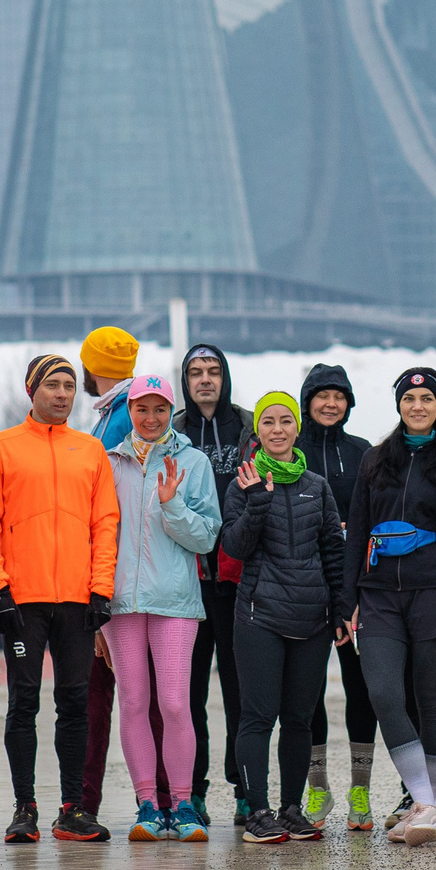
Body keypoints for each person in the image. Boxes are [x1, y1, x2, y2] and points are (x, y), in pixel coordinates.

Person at [0, 354, 119, 843]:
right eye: (52, 385)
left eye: (69, 386)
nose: (62, 394)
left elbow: (105, 524)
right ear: (31, 389)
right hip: (22, 599)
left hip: (78, 600)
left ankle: (73, 808)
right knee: (23, 701)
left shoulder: (90, 450)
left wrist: (101, 589)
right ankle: (24, 807)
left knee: (75, 702)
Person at [342, 367, 436, 845]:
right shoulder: (376, 458)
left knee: (431, 701)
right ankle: (426, 804)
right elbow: (357, 531)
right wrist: (348, 598)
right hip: (379, 595)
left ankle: (424, 804)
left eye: (426, 399)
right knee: (383, 693)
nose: (417, 406)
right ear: (399, 405)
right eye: (409, 399)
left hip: (434, 591)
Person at [101, 375, 222, 839]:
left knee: (173, 703)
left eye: (159, 409)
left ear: (172, 411)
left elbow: (207, 537)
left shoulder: (193, 462)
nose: (150, 418)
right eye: (141, 409)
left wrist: (172, 507)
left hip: (174, 601)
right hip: (121, 604)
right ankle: (148, 805)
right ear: (129, 411)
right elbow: (99, 536)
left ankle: (184, 805)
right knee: (133, 702)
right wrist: (97, 606)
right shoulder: (109, 463)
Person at [225, 391, 347, 843]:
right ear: (257, 431)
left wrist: (341, 608)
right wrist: (257, 500)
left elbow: (332, 550)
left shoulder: (317, 485)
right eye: (268, 422)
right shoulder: (243, 482)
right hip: (260, 617)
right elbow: (234, 547)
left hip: (313, 620)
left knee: (299, 718)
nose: (277, 429)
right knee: (258, 717)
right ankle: (257, 811)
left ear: (297, 428)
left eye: (285, 421)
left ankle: (291, 809)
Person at [295, 361, 374, 829]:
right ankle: (318, 788)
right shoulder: (292, 449)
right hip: (303, 586)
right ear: (307, 402)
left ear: (348, 403)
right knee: (308, 690)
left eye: (338, 396)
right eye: (321, 396)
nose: (330, 403)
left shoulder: (363, 452)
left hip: (353, 587)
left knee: (360, 686)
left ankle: (360, 791)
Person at [176, 344, 249, 823]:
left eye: (214, 371)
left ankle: (245, 787)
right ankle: (193, 789)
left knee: (242, 692)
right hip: (187, 582)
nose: (205, 379)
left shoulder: (249, 430)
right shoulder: (172, 432)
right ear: (186, 381)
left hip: (239, 582)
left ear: (225, 378)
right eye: (196, 372)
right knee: (188, 695)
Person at [71, 326, 141, 820]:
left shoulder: (116, 422)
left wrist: (101, 599)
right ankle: (158, 801)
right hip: (121, 579)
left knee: (102, 703)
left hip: (111, 583)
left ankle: (86, 804)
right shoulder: (118, 414)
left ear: (91, 367)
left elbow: (108, 517)